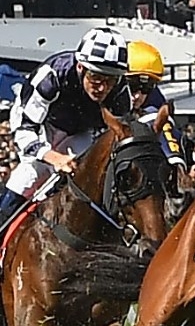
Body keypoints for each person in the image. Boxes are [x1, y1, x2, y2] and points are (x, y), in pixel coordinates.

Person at [0, 26, 135, 228]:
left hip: (82, 131)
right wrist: (53, 157)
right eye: (96, 77)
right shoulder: (52, 75)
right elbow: (24, 131)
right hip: (41, 124)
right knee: (30, 175)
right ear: (80, 67)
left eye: (111, 80)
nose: (102, 88)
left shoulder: (121, 95)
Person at [125, 38, 183, 168]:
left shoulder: (155, 100)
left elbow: (168, 135)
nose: (138, 95)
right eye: (132, 86)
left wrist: (176, 164)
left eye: (146, 87)